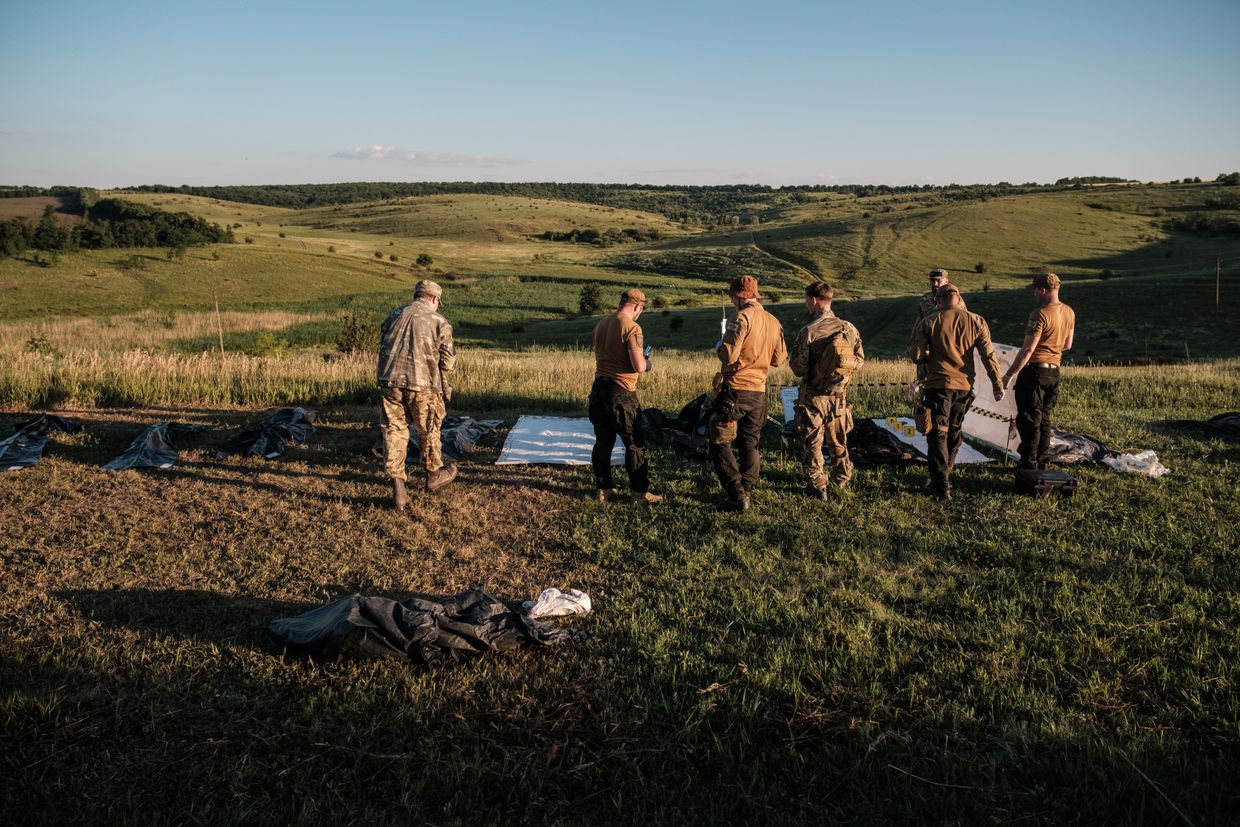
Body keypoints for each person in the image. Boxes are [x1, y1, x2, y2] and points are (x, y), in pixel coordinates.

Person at [907, 284, 1004, 500]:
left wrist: (926, 355)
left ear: (938, 301)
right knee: (954, 430)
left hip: (938, 385)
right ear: (959, 299)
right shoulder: (977, 321)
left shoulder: (930, 321)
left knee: (938, 433)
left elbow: (915, 354)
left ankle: (941, 485)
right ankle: (945, 474)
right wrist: (997, 384)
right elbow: (989, 355)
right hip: (964, 387)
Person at [377, 280, 457, 510]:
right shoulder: (439, 322)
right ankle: (433, 476)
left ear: (417, 295)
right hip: (422, 384)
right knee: (428, 429)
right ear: (434, 299)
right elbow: (448, 362)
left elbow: (383, 343)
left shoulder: (394, 315)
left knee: (394, 430)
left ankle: (399, 488)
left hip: (388, 380)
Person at [710, 275, 788, 512]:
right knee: (750, 443)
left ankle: (736, 492)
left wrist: (719, 344)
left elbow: (728, 355)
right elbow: (779, 359)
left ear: (738, 296)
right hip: (759, 393)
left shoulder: (740, 317)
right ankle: (746, 488)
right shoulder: (774, 321)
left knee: (719, 442)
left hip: (736, 391)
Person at [790, 281, 865, 498]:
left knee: (813, 442)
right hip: (839, 396)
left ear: (814, 300)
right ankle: (841, 479)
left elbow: (798, 368)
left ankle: (818, 485)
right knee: (838, 440)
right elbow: (859, 360)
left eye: (807, 301)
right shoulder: (849, 328)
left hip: (813, 397)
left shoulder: (809, 331)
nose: (807, 305)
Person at [589, 288, 661, 504]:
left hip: (599, 388)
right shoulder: (632, 327)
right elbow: (638, 365)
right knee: (634, 443)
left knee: (603, 441)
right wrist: (648, 363)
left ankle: (603, 489)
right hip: (621, 391)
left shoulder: (602, 323)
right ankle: (640, 493)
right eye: (641, 309)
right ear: (637, 306)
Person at [1002, 272, 1076, 470]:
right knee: (1045, 418)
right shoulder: (1069, 312)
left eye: (1035, 289)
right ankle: (1042, 460)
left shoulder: (1040, 314)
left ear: (1043, 290)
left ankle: (1028, 461)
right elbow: (1067, 344)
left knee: (1029, 419)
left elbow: (1028, 350)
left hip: (1035, 371)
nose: (1034, 294)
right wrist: (1052, 347)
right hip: (1054, 372)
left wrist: (1009, 375)